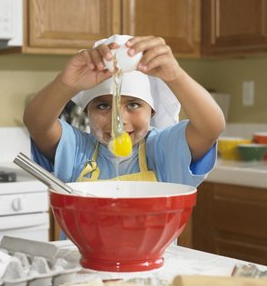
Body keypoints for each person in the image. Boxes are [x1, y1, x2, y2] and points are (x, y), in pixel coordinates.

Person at [23, 35, 225, 186]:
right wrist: (66, 84)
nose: (117, 121)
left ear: (152, 111)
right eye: (103, 105)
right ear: (87, 111)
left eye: (133, 105)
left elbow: (211, 128)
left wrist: (175, 76)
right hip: (79, 245)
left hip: (153, 245)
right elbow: (37, 124)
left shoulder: (163, 151)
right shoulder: (77, 151)